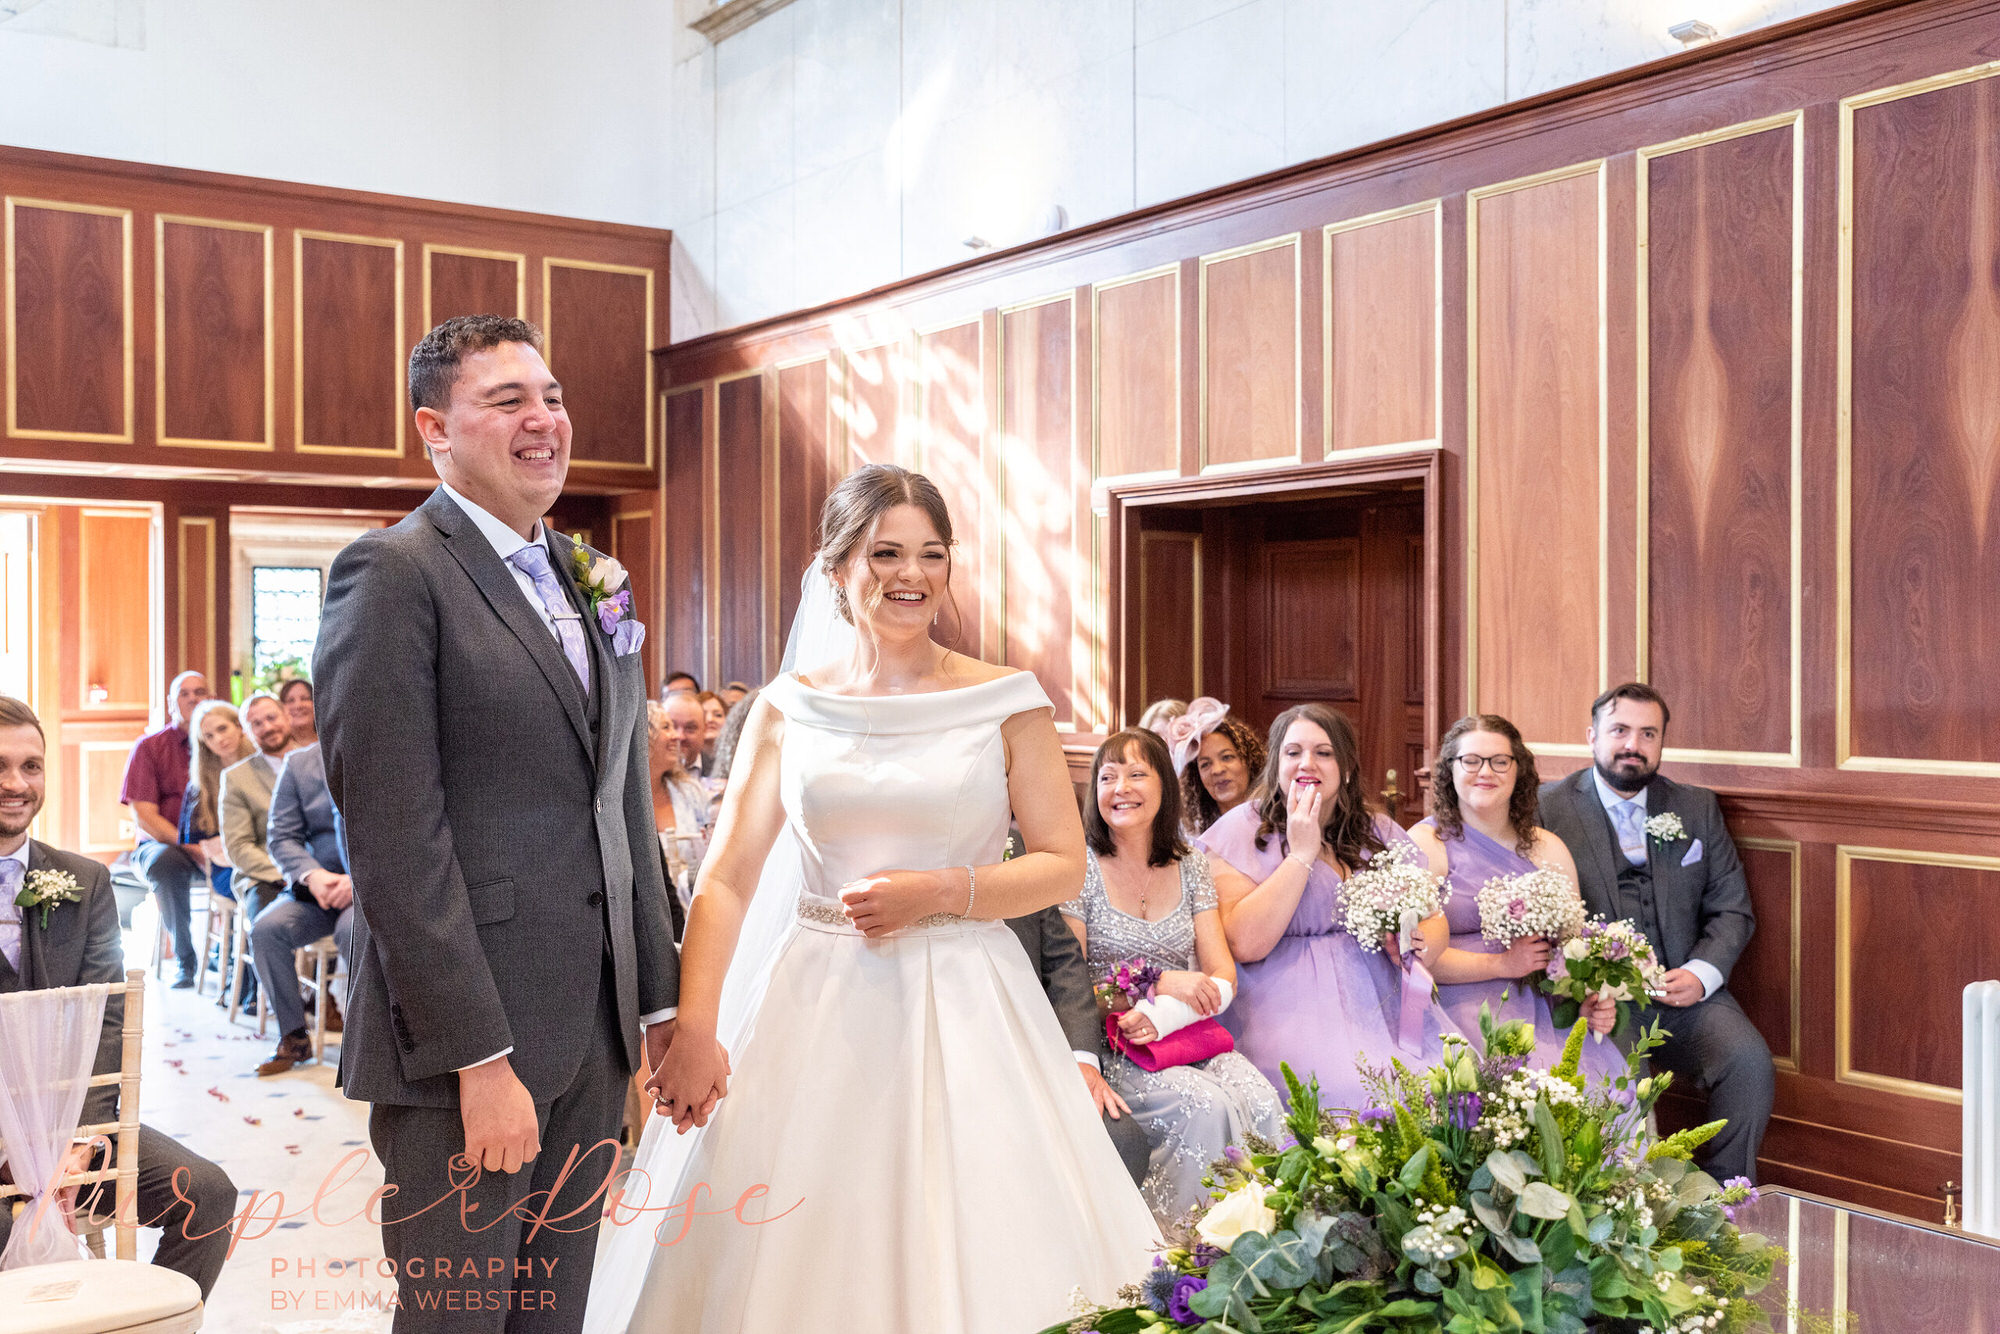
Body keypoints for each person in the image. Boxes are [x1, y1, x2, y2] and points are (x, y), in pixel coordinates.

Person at [593, 463, 1155, 1333]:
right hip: (814, 998)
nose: (912, 574)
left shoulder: (1006, 700)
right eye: (885, 552)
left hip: (967, 992)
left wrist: (945, 889)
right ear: (836, 568)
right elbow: (730, 877)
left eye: (932, 555)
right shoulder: (790, 708)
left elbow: (1059, 862)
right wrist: (696, 1030)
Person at [315, 315, 677, 1331]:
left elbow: (619, 812)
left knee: (552, 1318)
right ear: (434, 428)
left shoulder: (594, 577)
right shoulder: (393, 573)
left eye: (552, 397)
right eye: (508, 399)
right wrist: (479, 1059)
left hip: (590, 1038)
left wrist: (656, 1008)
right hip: (467, 1046)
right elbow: (393, 841)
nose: (543, 419)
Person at [0, 696, 238, 1299]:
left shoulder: (83, 880)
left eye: (32, 766)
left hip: (72, 1127)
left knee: (208, 1196)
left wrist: (77, 1142)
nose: (16, 783)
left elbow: (109, 1017)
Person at [1538, 683, 1772, 1183]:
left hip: (1683, 993)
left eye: (1648, 733)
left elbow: (1733, 910)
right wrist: (1574, 989)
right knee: (1626, 1088)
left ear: (1663, 742)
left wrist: (1701, 973)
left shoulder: (1695, 807)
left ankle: (1723, 1199)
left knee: (1748, 1062)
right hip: (1598, 999)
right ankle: (1631, 1207)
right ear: (1592, 736)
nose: (1633, 745)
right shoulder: (1546, 809)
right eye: (1619, 730)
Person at [1062, 727, 1283, 1224]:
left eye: (1137, 774)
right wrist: (1158, 983)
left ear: (1164, 785)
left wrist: (1177, 1005)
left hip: (1181, 1035)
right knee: (1202, 1107)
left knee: (1260, 1098)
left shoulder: (1191, 864)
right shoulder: (1078, 868)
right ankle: (1179, 1254)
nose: (1121, 788)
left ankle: (1263, 1246)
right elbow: (1068, 985)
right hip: (1113, 1046)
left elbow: (1221, 969)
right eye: (1108, 776)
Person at [1197, 703, 1455, 1110]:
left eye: (1324, 752)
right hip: (1285, 1006)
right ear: (1275, 765)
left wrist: (1423, 943)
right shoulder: (1238, 833)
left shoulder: (1380, 831)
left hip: (1381, 1001)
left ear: (1347, 767)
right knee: (1349, 1091)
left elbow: (1434, 918)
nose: (1307, 763)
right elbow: (1245, 944)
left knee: (1450, 1082)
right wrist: (1300, 855)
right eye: (1293, 752)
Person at [1407, 714, 1619, 1077]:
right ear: (1450, 771)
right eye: (1470, 760)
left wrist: (1587, 1001)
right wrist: (1502, 965)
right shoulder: (1427, 844)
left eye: (1499, 761)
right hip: (1453, 1006)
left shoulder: (1548, 849)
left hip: (1542, 1005)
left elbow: (1573, 951)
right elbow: (1411, 958)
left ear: (1518, 769)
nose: (1485, 771)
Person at [1005, 902, 1151, 1188]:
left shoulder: (1018, 857)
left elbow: (1063, 963)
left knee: (1122, 1141)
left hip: (1035, 1056)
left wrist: (1082, 1060)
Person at [252, 741, 352, 1076]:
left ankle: (369, 1042)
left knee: (350, 931)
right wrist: (315, 876)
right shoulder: (299, 763)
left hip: (370, 888)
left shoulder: (387, 748)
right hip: (316, 890)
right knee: (266, 930)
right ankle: (293, 1036)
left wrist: (358, 881)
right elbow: (281, 837)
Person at [120, 669, 210, 987]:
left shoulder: (220, 746)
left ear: (210, 699)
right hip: (162, 846)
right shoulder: (150, 747)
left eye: (199, 692)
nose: (192, 699)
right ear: (172, 703)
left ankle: (239, 969)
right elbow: (145, 816)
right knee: (165, 862)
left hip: (215, 846)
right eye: (184, 694)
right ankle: (185, 959)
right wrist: (193, 848)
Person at [218, 692, 297, 1010]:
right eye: (256, 724)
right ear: (247, 733)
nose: (266, 727)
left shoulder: (316, 762)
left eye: (271, 718)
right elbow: (238, 847)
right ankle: (288, 1023)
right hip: (263, 875)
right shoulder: (237, 778)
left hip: (319, 870)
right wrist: (284, 874)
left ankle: (327, 1001)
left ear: (286, 717)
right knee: (265, 919)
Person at [1153, 698, 1267, 836]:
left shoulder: (1278, 822)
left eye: (1227, 757)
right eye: (1205, 764)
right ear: (1196, 779)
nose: (1217, 770)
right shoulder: (1193, 838)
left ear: (1250, 760)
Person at [182, 700, 256, 908]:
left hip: (268, 859)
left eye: (222, 728)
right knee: (255, 885)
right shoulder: (200, 787)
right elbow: (199, 844)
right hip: (227, 869)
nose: (219, 739)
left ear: (239, 726)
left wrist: (223, 842)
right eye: (209, 736)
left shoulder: (265, 767)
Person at [645, 700, 709, 934]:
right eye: (665, 728)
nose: (676, 737)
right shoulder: (624, 798)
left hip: (693, 908)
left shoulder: (690, 793)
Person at [278, 677, 317, 745]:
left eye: (304, 698)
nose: (298, 706)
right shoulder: (278, 747)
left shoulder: (331, 740)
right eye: (290, 700)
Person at [695, 690, 726, 769]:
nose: (710, 719)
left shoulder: (737, 758)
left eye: (718, 715)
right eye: (703, 714)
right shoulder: (685, 761)